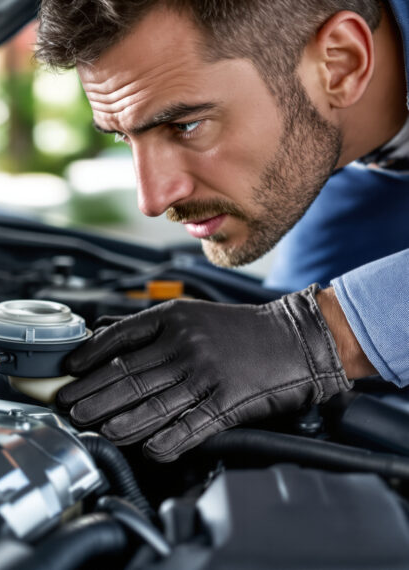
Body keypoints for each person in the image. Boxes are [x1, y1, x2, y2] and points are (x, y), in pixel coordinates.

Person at [36, 0, 409, 461]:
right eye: (123, 135)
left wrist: (322, 333)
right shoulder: (330, 151)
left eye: (186, 124)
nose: (152, 199)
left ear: (340, 63)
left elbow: (319, 333)